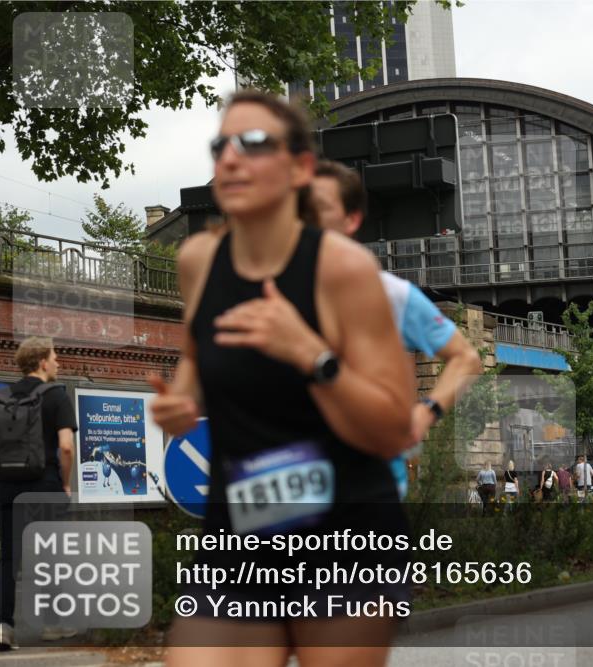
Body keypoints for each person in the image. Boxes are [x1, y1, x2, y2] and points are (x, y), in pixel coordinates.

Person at [150, 90, 414, 667]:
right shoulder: (198, 260)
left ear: (298, 169)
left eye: (254, 144)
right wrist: (183, 399)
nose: (231, 159)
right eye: (222, 145)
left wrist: (311, 355)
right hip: (240, 532)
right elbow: (199, 347)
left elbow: (394, 428)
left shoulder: (341, 270)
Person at [311, 160, 482, 497]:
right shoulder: (271, 292)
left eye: (319, 207)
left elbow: (467, 359)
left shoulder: (390, 294)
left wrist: (426, 412)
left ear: (351, 219)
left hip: (369, 492)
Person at [0, 337, 77, 650]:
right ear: (41, 362)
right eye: (55, 357)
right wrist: (66, 483)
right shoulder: (56, 397)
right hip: (45, 485)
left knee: (9, 557)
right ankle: (51, 625)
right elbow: (66, 446)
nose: (58, 362)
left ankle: (3, 627)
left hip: (8, 487)